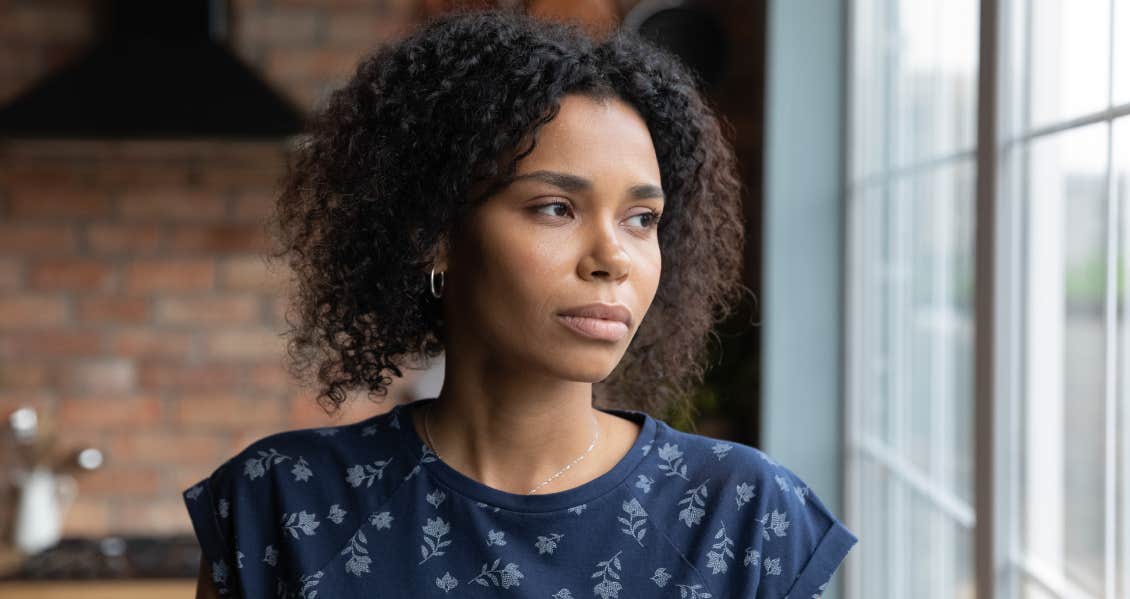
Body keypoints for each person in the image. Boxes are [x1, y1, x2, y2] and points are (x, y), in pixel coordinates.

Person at [183, 8, 855, 598]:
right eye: (556, 207)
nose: (613, 257)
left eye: (641, 219)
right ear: (436, 237)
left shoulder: (744, 514)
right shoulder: (280, 501)